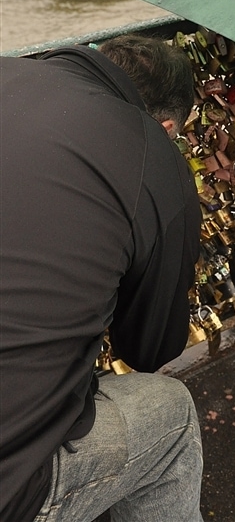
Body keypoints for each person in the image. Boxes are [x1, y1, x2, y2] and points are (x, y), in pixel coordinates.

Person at [0, 35, 204, 522]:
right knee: (170, 415)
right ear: (167, 125)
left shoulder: (9, 70)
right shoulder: (154, 156)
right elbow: (150, 350)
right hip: (10, 484)